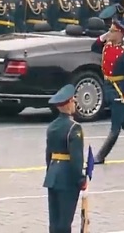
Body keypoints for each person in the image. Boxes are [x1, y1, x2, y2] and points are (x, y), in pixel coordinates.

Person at [91, 14, 124, 163]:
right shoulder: (107, 46)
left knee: (115, 127)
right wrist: (105, 36)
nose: (110, 33)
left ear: (120, 34)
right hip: (108, 87)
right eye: (110, 30)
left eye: (113, 31)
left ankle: (101, 155)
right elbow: (94, 47)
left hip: (119, 90)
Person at [43, 84, 86, 233]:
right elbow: (76, 159)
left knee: (54, 222)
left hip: (53, 176)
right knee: (65, 222)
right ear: (68, 104)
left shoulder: (52, 127)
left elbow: (48, 155)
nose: (74, 103)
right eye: (73, 101)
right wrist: (81, 180)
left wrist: (50, 172)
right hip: (67, 177)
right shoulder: (74, 128)